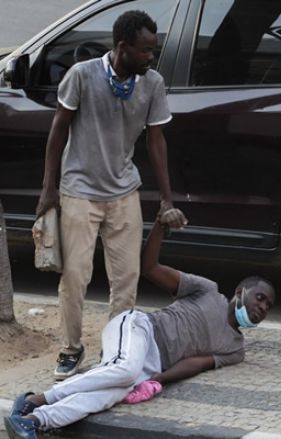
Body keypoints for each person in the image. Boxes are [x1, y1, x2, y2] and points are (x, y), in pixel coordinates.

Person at [3, 212, 276, 439]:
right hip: (138, 328)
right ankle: (37, 399)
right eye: (260, 298)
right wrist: (159, 226)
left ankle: (34, 421)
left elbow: (197, 363)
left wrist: (158, 380)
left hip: (151, 365)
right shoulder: (208, 291)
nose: (262, 307)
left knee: (106, 397)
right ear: (241, 290)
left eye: (268, 306)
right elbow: (150, 267)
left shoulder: (236, 348)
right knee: (125, 369)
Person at [35, 10, 187, 379]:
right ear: (123, 48)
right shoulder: (82, 76)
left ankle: (116, 346)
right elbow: (58, 131)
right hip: (79, 190)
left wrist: (167, 199)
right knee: (75, 276)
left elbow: (156, 141)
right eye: (146, 50)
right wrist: (48, 189)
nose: (151, 56)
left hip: (123, 191)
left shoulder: (151, 83)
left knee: (126, 278)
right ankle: (71, 348)